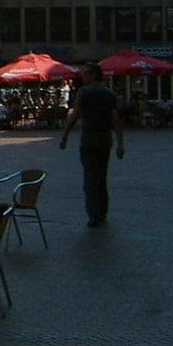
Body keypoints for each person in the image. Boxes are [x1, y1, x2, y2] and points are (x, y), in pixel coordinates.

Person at [59, 63, 124, 227]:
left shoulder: (84, 92)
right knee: (102, 176)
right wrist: (120, 143)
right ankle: (102, 212)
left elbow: (74, 116)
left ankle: (93, 214)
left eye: (85, 74)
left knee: (90, 178)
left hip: (89, 140)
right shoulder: (108, 93)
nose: (82, 77)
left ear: (92, 75)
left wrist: (65, 136)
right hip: (105, 140)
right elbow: (116, 120)